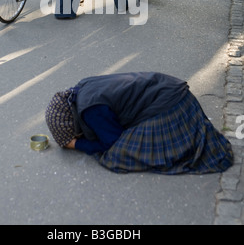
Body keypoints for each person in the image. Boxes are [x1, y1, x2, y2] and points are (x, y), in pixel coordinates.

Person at [45, 71, 233, 174]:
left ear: (72, 125)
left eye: (72, 134)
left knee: (115, 155)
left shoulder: (91, 111)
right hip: (172, 93)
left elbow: (110, 142)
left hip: (173, 107)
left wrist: (77, 144)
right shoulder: (81, 88)